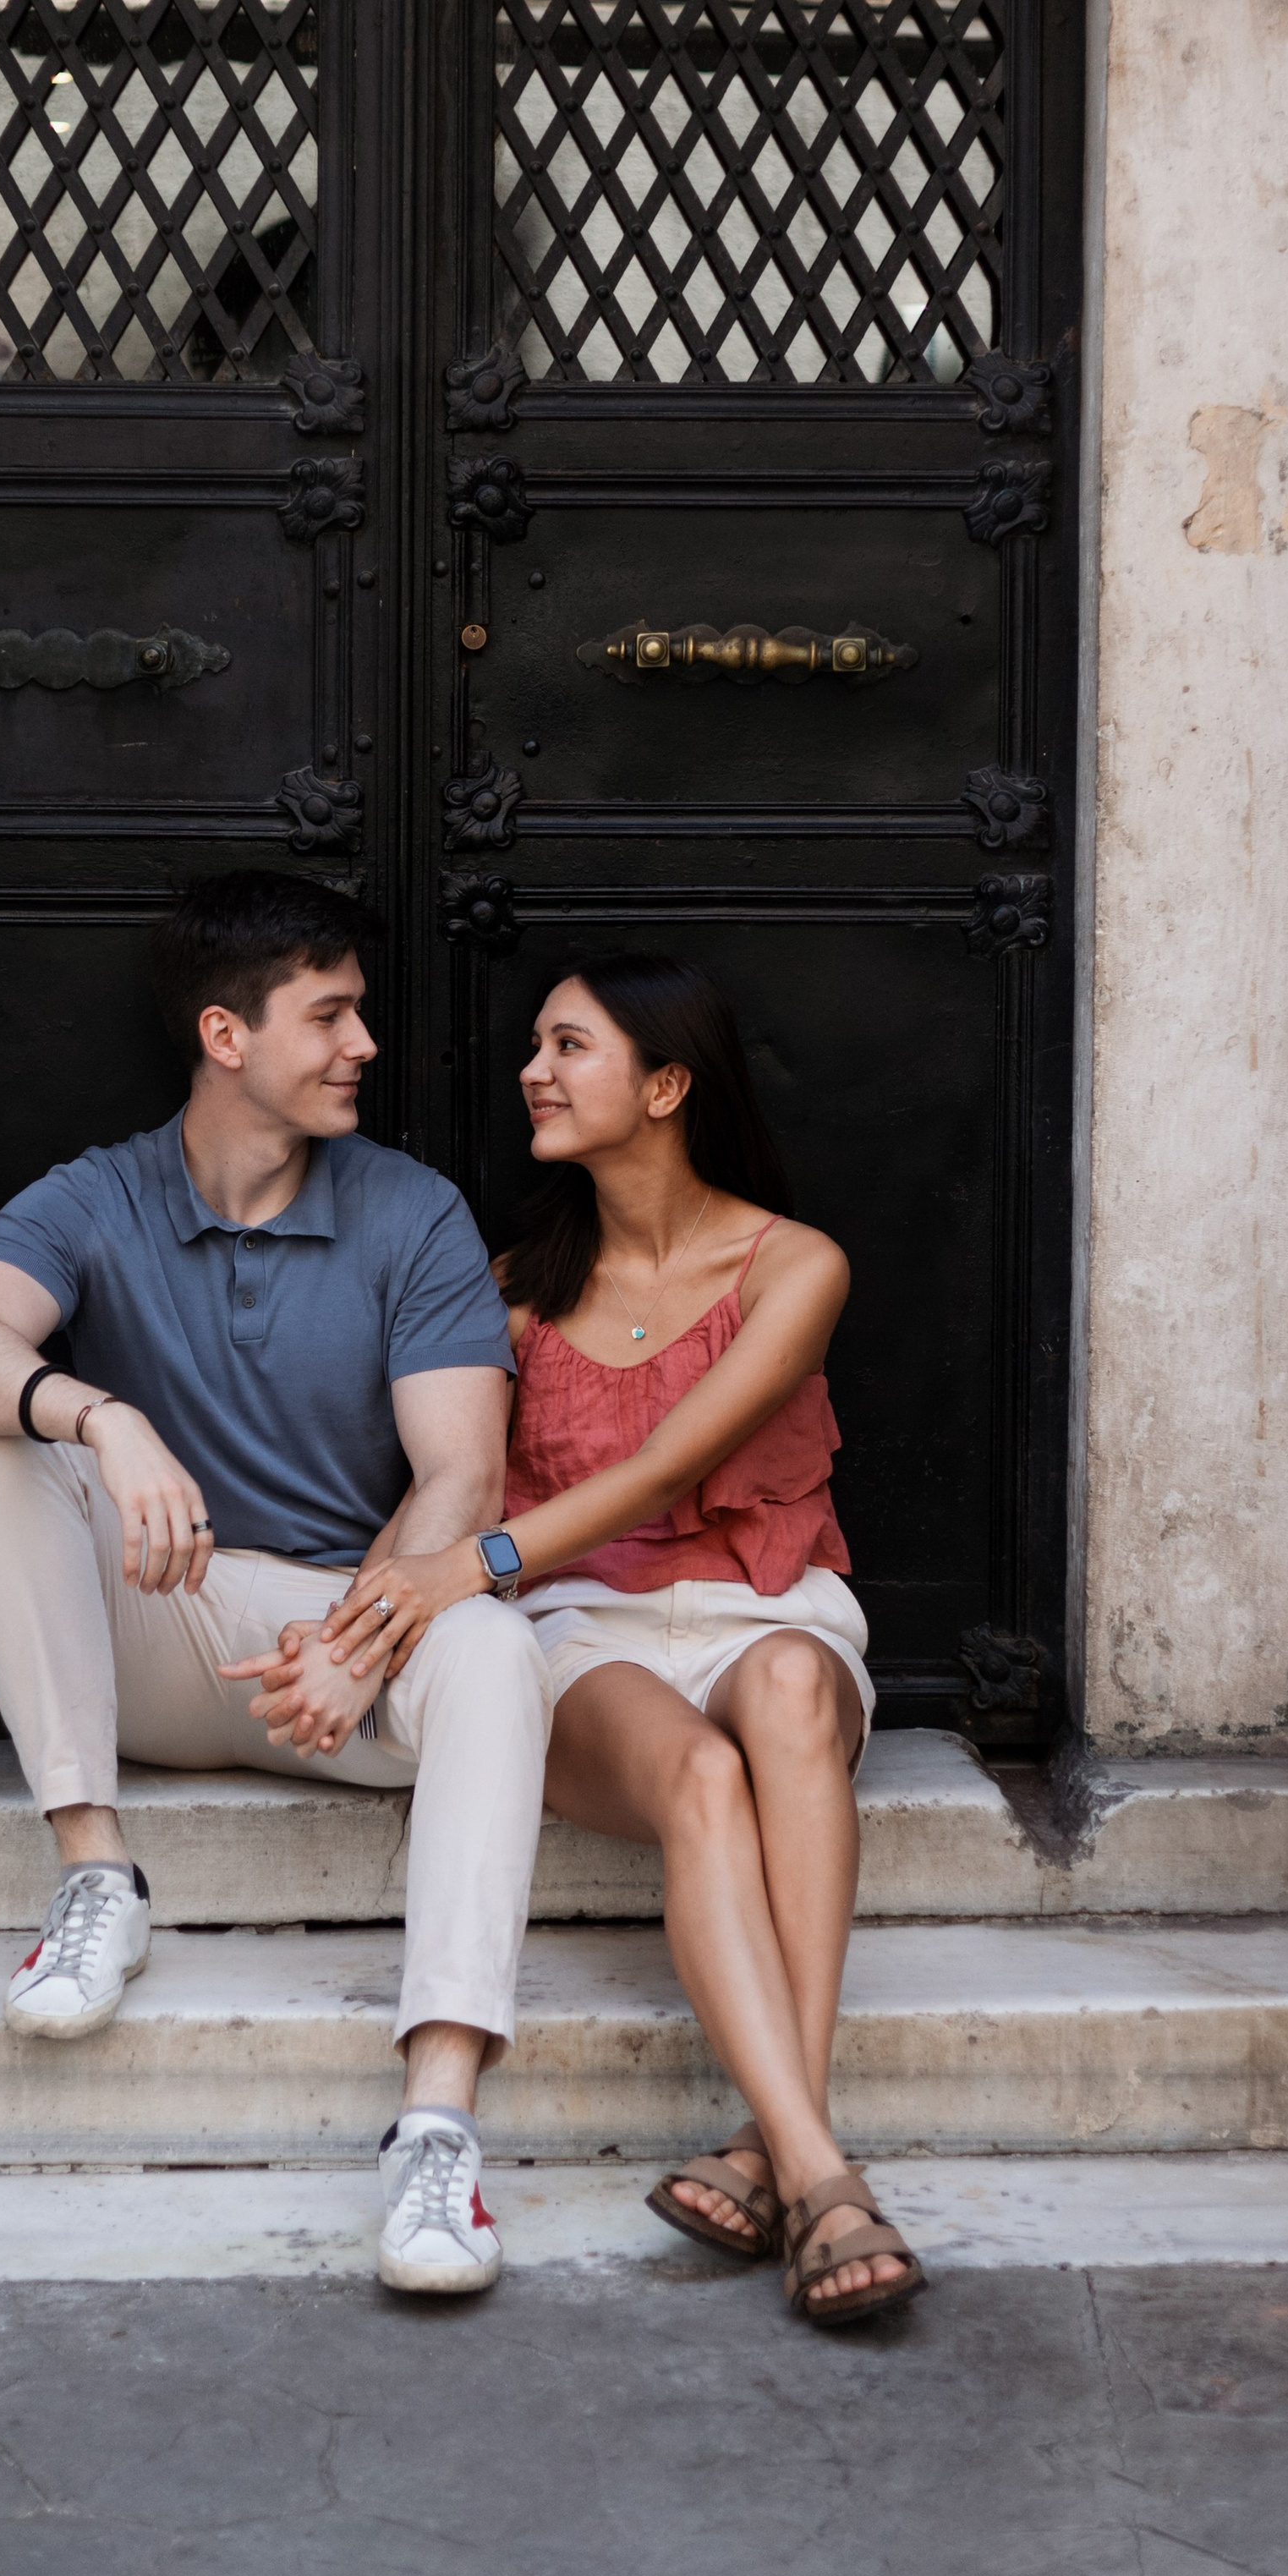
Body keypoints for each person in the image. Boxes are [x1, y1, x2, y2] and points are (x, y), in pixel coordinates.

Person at [0, 870, 550, 2297]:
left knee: (499, 1651)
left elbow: (463, 1486)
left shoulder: (411, 1211)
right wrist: (103, 1415)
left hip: (339, 1644)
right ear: (226, 1035)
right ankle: (96, 1878)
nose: (363, 1044)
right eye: (330, 1016)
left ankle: (436, 2131)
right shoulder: (94, 1195)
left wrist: (363, 1638)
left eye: (361, 1014)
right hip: (163, 1634)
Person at [309, 956, 926, 2327]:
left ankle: (778, 2148)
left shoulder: (795, 1264)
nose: (534, 1069)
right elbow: (453, 1470)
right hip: (589, 1626)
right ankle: (821, 2170)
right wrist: (374, 1611)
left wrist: (472, 1563)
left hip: (769, 1598)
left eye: (569, 1046)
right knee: (702, 1781)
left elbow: (665, 1467)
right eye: (536, 1043)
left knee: (782, 1690)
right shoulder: (515, 1285)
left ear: (665, 1085)